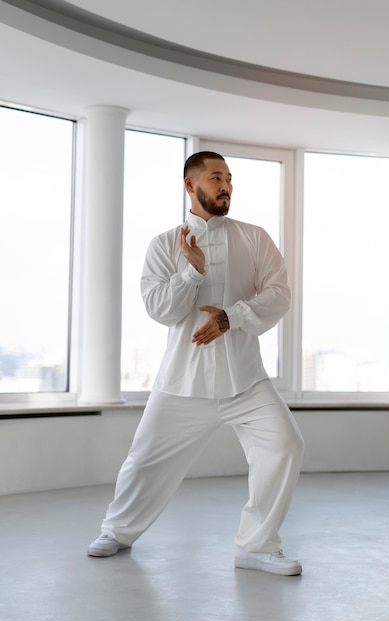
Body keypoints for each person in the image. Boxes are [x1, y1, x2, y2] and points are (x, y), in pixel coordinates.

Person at [88, 151, 305, 575]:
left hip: (246, 379)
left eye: (229, 178)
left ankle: (257, 545)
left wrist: (232, 316)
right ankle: (117, 531)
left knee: (285, 445)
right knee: (145, 458)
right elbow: (160, 309)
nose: (225, 185)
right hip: (183, 380)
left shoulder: (255, 237)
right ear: (191, 185)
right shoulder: (165, 245)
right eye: (215, 177)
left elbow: (279, 294)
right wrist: (192, 272)